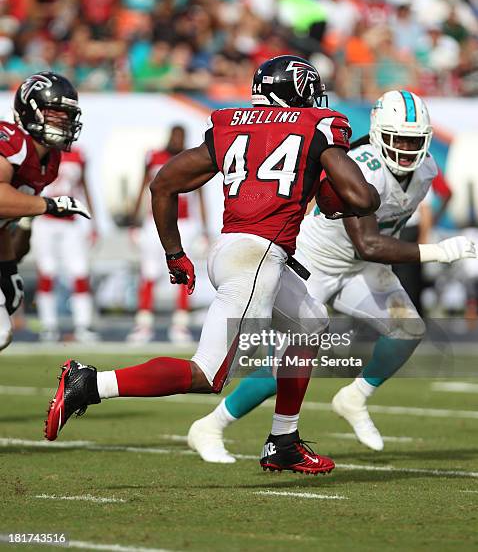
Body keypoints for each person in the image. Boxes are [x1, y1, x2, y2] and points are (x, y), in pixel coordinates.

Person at [45, 54, 379, 475]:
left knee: (309, 322)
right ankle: (91, 383)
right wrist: (341, 192)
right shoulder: (317, 125)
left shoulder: (231, 125)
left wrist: (174, 252)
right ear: (296, 93)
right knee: (208, 373)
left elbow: (163, 183)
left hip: (233, 249)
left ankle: (284, 440)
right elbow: (364, 199)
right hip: (257, 258)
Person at [187, 90, 477, 463]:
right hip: (316, 263)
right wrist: (437, 251)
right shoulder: (362, 167)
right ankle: (212, 425)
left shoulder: (426, 171)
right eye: (398, 138)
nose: (406, 149)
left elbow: (376, 245)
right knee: (285, 362)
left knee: (408, 331)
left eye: (414, 141)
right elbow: (369, 243)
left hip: (361, 268)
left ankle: (354, 397)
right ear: (377, 134)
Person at [0, 71, 91, 352]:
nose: (63, 121)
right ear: (30, 110)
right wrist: (51, 205)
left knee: (2, 332)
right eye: (55, 113)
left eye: (67, 115)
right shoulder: (13, 141)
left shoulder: (49, 162)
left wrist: (7, 267)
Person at [127, 125, 208, 344]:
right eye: (175, 136)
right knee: (149, 272)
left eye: (181, 137)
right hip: (155, 221)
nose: (177, 141)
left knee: (184, 271)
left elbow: (200, 194)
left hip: (185, 222)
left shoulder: (192, 158)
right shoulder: (153, 156)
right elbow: (143, 187)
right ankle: (143, 323)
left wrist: (204, 228)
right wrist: (133, 221)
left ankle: (180, 323)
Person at [31, 148, 98, 343]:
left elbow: (85, 187)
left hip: (70, 222)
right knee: (47, 272)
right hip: (44, 220)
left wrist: (93, 222)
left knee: (80, 272)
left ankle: (83, 325)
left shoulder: (79, 155)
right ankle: (48, 326)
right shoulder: (40, 151)